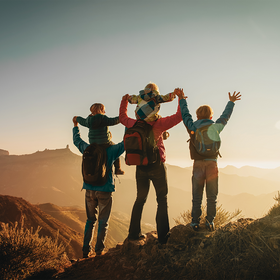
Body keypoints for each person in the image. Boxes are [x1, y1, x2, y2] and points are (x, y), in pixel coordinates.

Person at [119, 92, 182, 244]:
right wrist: (181, 98)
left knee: (140, 199)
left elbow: (122, 117)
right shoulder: (159, 124)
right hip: (157, 166)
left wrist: (124, 101)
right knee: (162, 199)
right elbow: (179, 116)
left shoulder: (133, 123)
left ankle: (133, 234)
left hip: (140, 166)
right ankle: (163, 237)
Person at [175, 89, 241, 231]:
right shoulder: (215, 127)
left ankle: (194, 222)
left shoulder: (192, 127)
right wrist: (231, 102)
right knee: (212, 196)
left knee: (196, 196)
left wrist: (181, 99)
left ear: (197, 116)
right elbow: (225, 116)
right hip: (212, 163)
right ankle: (210, 222)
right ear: (211, 115)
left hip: (198, 164)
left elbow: (185, 114)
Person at [72, 116, 124, 258]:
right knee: (103, 221)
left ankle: (85, 251)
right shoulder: (111, 150)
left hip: (89, 189)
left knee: (90, 220)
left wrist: (76, 126)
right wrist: (128, 124)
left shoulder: (87, 148)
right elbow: (125, 143)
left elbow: (76, 141)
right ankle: (99, 251)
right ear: (106, 133)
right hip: (105, 190)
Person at [73, 103, 124, 175]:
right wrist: (122, 118)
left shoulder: (88, 121)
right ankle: (118, 169)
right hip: (105, 143)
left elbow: (82, 121)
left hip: (93, 144)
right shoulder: (104, 119)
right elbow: (114, 121)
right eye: (104, 110)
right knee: (116, 151)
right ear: (100, 110)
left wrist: (76, 121)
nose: (105, 112)